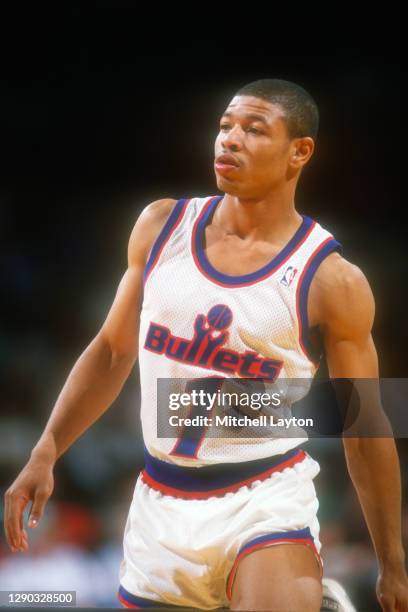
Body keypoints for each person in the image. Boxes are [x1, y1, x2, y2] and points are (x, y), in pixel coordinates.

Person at [3, 79, 408, 611]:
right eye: (224, 126)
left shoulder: (333, 280)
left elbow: (365, 422)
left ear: (299, 152)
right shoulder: (160, 225)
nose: (229, 140)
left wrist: (392, 564)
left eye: (254, 129)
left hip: (264, 497)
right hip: (159, 501)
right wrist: (47, 449)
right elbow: (110, 351)